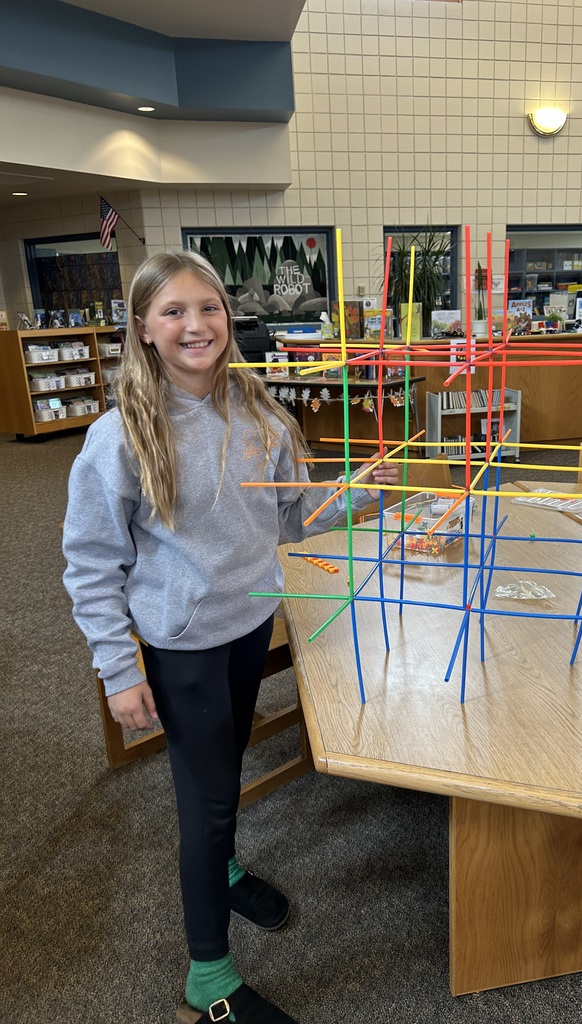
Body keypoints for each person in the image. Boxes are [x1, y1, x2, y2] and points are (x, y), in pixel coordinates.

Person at [62, 250, 398, 1024]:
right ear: (144, 327)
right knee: (207, 798)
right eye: (173, 311)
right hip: (183, 646)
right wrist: (118, 670)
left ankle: (226, 864)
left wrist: (371, 495)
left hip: (250, 621)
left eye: (207, 308)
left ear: (228, 318)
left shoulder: (259, 410)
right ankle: (207, 981)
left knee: (223, 773)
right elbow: (90, 563)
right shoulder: (118, 437)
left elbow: (292, 514)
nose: (194, 324)